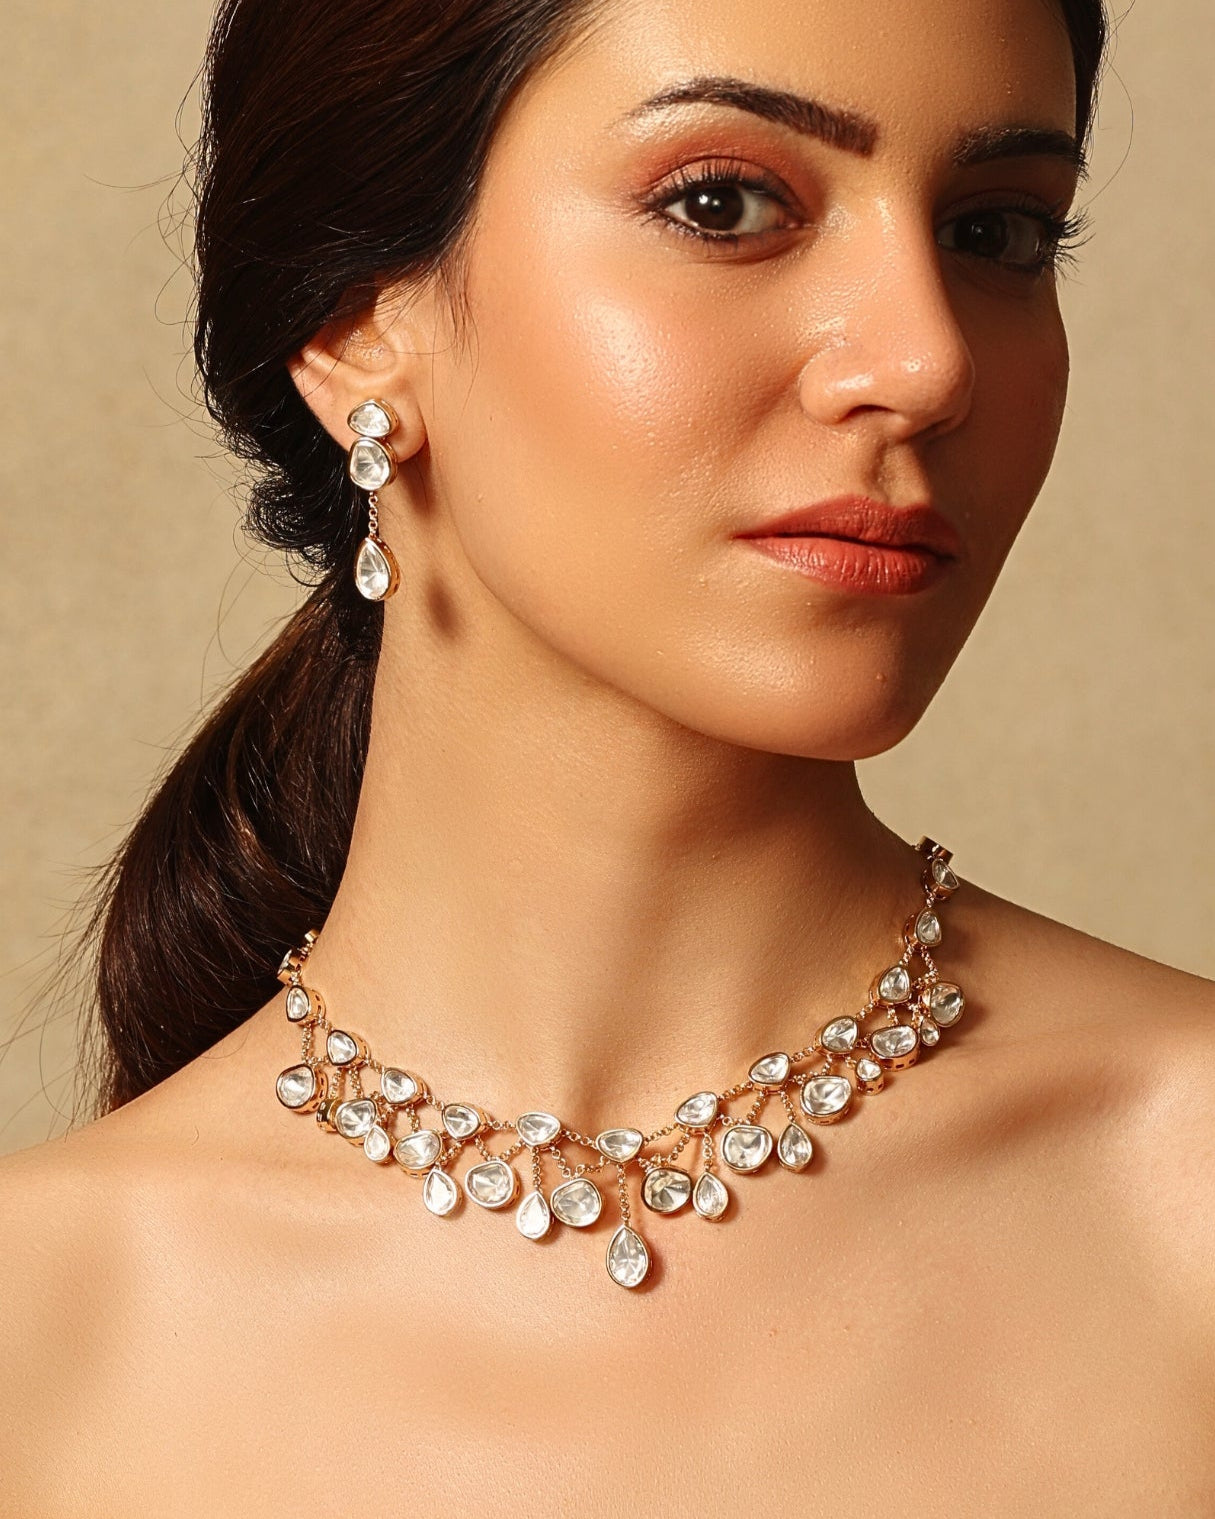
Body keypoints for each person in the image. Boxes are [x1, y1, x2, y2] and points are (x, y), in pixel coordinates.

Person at [3, 0, 1212, 1510]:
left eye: (997, 232)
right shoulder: (42, 1329)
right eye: (725, 206)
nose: (926, 361)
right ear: (359, 317)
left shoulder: (1189, 1199)